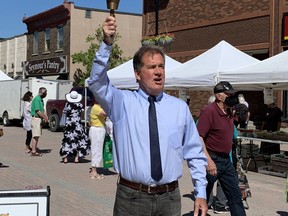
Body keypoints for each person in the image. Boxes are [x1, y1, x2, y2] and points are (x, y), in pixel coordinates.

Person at [87, 16, 208, 216]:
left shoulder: (179, 108)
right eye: (152, 67)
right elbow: (97, 83)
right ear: (137, 74)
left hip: (169, 199)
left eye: (161, 66)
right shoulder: (122, 102)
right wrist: (107, 44)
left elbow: (194, 152)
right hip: (132, 198)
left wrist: (201, 193)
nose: (159, 72)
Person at [197, 81, 246, 216]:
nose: (231, 96)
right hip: (212, 158)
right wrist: (208, 160)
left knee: (235, 196)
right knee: (204, 196)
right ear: (219, 96)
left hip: (226, 160)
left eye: (232, 94)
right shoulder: (209, 111)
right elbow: (199, 137)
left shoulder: (229, 111)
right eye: (228, 94)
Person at [60, 91, 90, 163]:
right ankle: (76, 158)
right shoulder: (80, 105)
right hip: (77, 125)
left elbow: (64, 113)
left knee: (67, 140)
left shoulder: (67, 105)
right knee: (78, 140)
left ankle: (65, 158)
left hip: (69, 124)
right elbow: (82, 115)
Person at [88, 101, 106, 179]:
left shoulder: (98, 107)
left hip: (98, 129)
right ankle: (94, 172)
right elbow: (106, 113)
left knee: (98, 150)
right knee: (96, 149)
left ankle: (94, 170)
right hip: (97, 130)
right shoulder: (96, 108)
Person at [30, 87, 49, 156]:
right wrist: (45, 118)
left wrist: (46, 116)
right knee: (35, 135)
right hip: (36, 119)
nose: (45, 94)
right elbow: (38, 111)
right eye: (45, 92)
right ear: (41, 92)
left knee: (37, 135)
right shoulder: (37, 99)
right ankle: (33, 151)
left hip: (39, 119)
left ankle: (34, 148)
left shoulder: (41, 100)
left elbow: (43, 110)